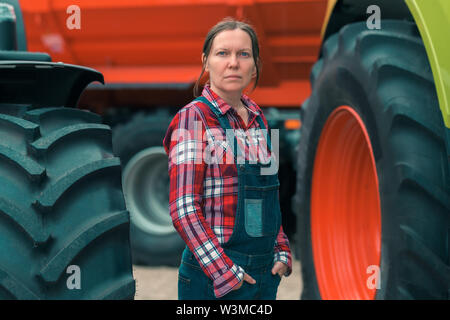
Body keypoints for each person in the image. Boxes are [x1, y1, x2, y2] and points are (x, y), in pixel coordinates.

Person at [163, 18, 292, 300]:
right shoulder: (193, 118)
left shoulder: (258, 119)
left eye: (243, 54)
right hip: (215, 280)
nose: (233, 63)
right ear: (206, 62)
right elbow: (184, 208)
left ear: (255, 64)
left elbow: (265, 196)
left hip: (263, 275)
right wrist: (225, 272)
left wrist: (280, 249)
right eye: (222, 53)